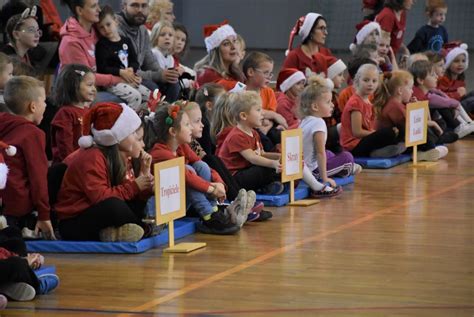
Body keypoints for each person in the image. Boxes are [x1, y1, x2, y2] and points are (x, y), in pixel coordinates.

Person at [54, 102, 154, 242]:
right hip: (74, 222)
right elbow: (102, 199)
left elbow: (127, 194)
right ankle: (141, 227)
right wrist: (135, 186)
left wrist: (145, 181)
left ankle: (120, 231)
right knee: (114, 206)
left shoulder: (119, 156)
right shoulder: (92, 157)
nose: (143, 145)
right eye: (138, 139)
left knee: (130, 201)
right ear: (120, 137)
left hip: (94, 212)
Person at [148, 102, 248, 234]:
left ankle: (213, 211)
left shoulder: (182, 146)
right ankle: (208, 216)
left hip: (181, 202)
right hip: (162, 207)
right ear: (173, 132)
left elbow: (202, 164)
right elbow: (187, 177)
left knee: (201, 166)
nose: (191, 129)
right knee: (189, 170)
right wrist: (212, 189)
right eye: (187, 125)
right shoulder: (160, 153)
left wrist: (219, 183)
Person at [0, 76, 55, 239]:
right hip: (16, 207)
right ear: (33, 106)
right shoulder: (33, 134)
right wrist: (44, 215)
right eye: (44, 101)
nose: (46, 105)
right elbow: (38, 178)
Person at [299, 76, 357, 198]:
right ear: (315, 107)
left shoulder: (305, 120)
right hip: (313, 172)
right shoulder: (319, 123)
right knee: (347, 158)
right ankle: (349, 168)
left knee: (329, 153)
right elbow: (320, 153)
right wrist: (324, 177)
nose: (332, 105)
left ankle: (343, 166)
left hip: (306, 167)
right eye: (328, 102)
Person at [218, 91, 285, 195]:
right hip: (234, 178)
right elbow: (252, 158)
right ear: (244, 116)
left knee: (278, 165)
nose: (262, 113)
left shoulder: (253, 133)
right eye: (258, 110)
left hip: (248, 170)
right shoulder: (237, 136)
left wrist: (280, 157)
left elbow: (262, 154)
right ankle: (262, 187)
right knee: (265, 169)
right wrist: (273, 164)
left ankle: (266, 187)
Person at [374, 70, 448, 161]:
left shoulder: (397, 103)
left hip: (401, 138)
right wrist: (432, 123)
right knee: (427, 132)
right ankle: (429, 149)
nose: (412, 91)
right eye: (410, 88)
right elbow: (413, 127)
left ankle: (431, 147)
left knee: (430, 131)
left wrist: (416, 107)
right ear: (400, 90)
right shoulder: (394, 105)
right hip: (392, 142)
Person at [117, 0, 180, 102]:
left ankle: (165, 114)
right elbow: (128, 70)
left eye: (144, 6)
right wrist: (159, 76)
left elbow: (150, 61)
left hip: (139, 75)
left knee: (173, 84)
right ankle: (155, 115)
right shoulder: (116, 28)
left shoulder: (142, 30)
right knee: (152, 87)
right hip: (124, 76)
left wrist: (165, 74)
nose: (140, 10)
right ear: (124, 7)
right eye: (135, 5)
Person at [340, 64, 405, 158]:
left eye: (374, 81)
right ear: (357, 81)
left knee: (395, 131)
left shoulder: (368, 100)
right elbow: (357, 132)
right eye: (366, 80)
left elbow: (370, 127)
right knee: (389, 133)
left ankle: (383, 150)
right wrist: (377, 133)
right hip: (354, 147)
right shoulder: (355, 103)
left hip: (363, 140)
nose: (370, 84)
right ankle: (378, 152)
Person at [96, 5, 151, 111]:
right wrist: (120, 72)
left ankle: (143, 119)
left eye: (108, 24)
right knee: (135, 97)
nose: (106, 29)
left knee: (149, 95)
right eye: (101, 27)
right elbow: (102, 68)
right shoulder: (102, 45)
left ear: (116, 21)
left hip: (128, 78)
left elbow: (134, 62)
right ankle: (128, 123)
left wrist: (131, 69)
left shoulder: (126, 41)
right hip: (112, 83)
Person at [410, 60, 474, 139]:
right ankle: (461, 126)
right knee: (445, 106)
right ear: (420, 80)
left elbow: (444, 97)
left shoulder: (428, 92)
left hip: (435, 122)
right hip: (428, 127)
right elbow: (445, 102)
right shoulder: (422, 95)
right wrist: (456, 103)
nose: (436, 77)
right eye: (432, 75)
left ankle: (467, 124)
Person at [51, 64, 96, 164]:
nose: (94, 89)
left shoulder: (88, 111)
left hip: (84, 164)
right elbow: (64, 145)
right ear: (74, 85)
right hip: (68, 167)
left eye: (94, 85)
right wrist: (72, 164)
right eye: (89, 85)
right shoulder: (65, 113)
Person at [243, 52, 288, 150]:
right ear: (250, 72)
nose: (270, 76)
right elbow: (249, 114)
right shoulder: (242, 91)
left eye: (271, 73)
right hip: (249, 127)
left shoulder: (269, 92)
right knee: (262, 139)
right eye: (266, 72)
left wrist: (267, 125)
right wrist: (275, 115)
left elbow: (270, 116)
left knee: (279, 135)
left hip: (266, 127)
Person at [194, 22, 245, 89]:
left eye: (234, 41)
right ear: (216, 51)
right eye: (226, 44)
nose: (233, 47)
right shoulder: (208, 74)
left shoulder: (236, 73)